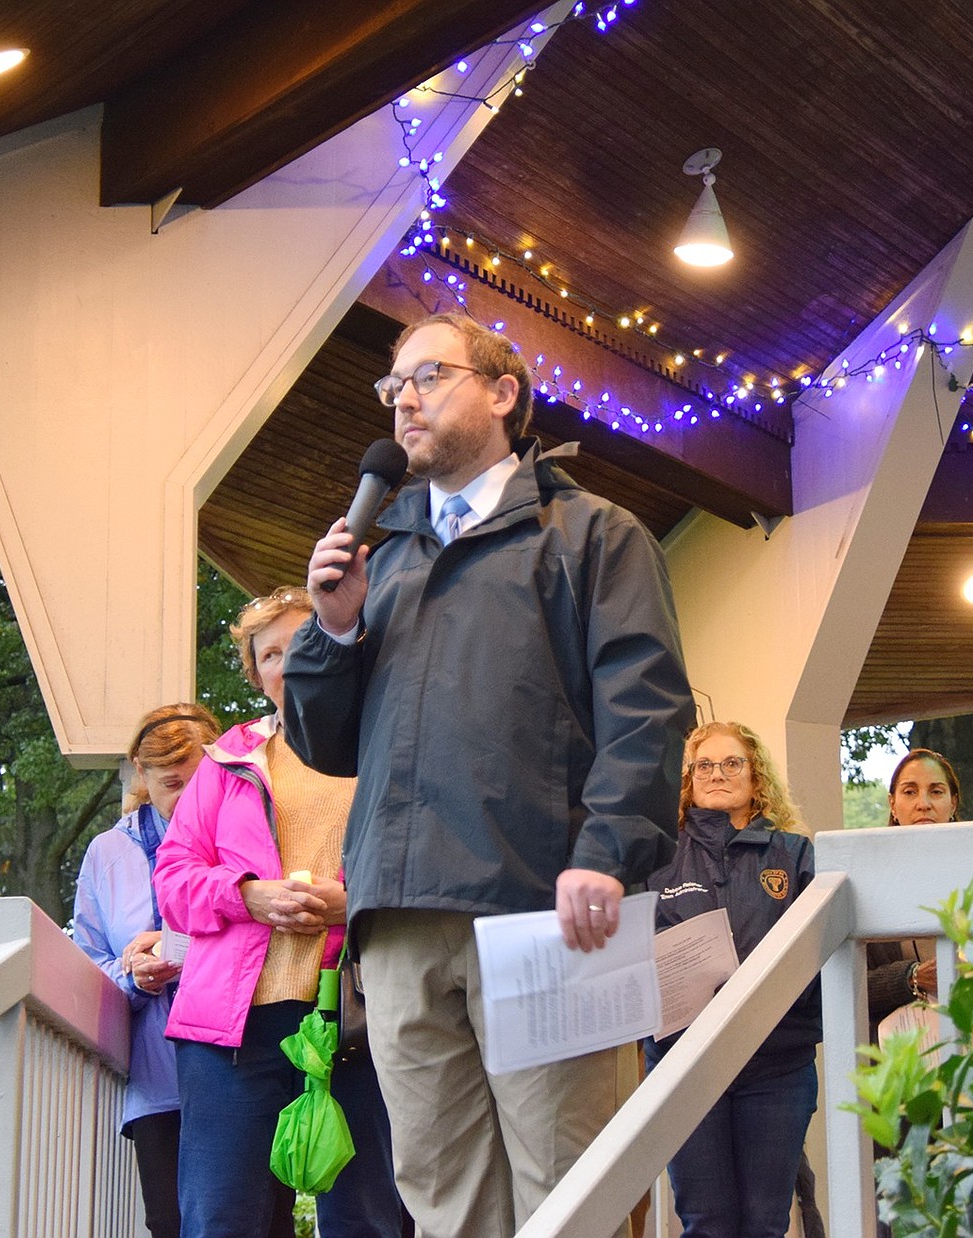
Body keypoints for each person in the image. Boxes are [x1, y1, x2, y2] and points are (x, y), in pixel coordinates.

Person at [281, 311, 695, 1238]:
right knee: (440, 1193)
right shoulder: (383, 568)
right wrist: (335, 629)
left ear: (504, 394)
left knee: (567, 1183)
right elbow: (325, 742)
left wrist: (607, 851)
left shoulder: (593, 536)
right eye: (392, 388)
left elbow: (648, 707)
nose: (404, 401)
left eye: (427, 376)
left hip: (539, 906)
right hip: (396, 925)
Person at [152, 587, 409, 1238]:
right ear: (256, 673)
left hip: (359, 1021)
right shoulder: (226, 761)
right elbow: (174, 880)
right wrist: (247, 895)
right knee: (221, 1218)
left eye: (305, 642)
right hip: (233, 1033)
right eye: (270, 652)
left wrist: (356, 906)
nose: (289, 661)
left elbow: (428, 869)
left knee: (369, 1218)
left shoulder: (386, 750)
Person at [643, 721, 822, 1238]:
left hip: (776, 1065)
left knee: (765, 1224)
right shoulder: (657, 855)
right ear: (688, 779)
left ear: (755, 775)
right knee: (706, 1223)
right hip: (685, 1064)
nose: (717, 774)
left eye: (731, 763)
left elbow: (818, 953)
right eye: (704, 765)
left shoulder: (795, 855)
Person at [73, 703, 231, 1238]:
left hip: (239, 1068)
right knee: (169, 1223)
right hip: (157, 1077)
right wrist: (131, 974)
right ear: (141, 775)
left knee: (255, 1220)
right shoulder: (106, 853)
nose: (186, 797)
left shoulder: (242, 835)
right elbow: (90, 959)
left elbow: (263, 937)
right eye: (170, 783)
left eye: (197, 780)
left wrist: (177, 946)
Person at [867, 748, 961, 1027]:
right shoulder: (868, 885)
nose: (923, 803)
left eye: (936, 791)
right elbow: (848, 982)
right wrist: (912, 976)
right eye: (910, 792)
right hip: (899, 1056)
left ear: (953, 804)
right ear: (893, 805)